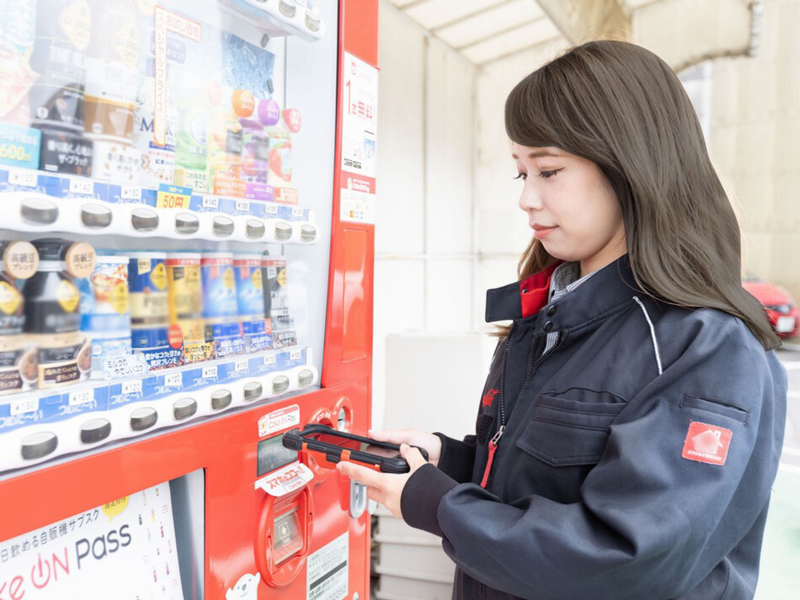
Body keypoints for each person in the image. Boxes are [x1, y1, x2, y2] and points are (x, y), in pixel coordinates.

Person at [338, 39, 789, 600]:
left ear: (630, 167)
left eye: (549, 171)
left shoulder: (709, 349)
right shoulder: (550, 312)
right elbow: (546, 479)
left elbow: (627, 558)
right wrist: (447, 461)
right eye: (520, 173)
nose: (526, 198)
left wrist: (436, 503)